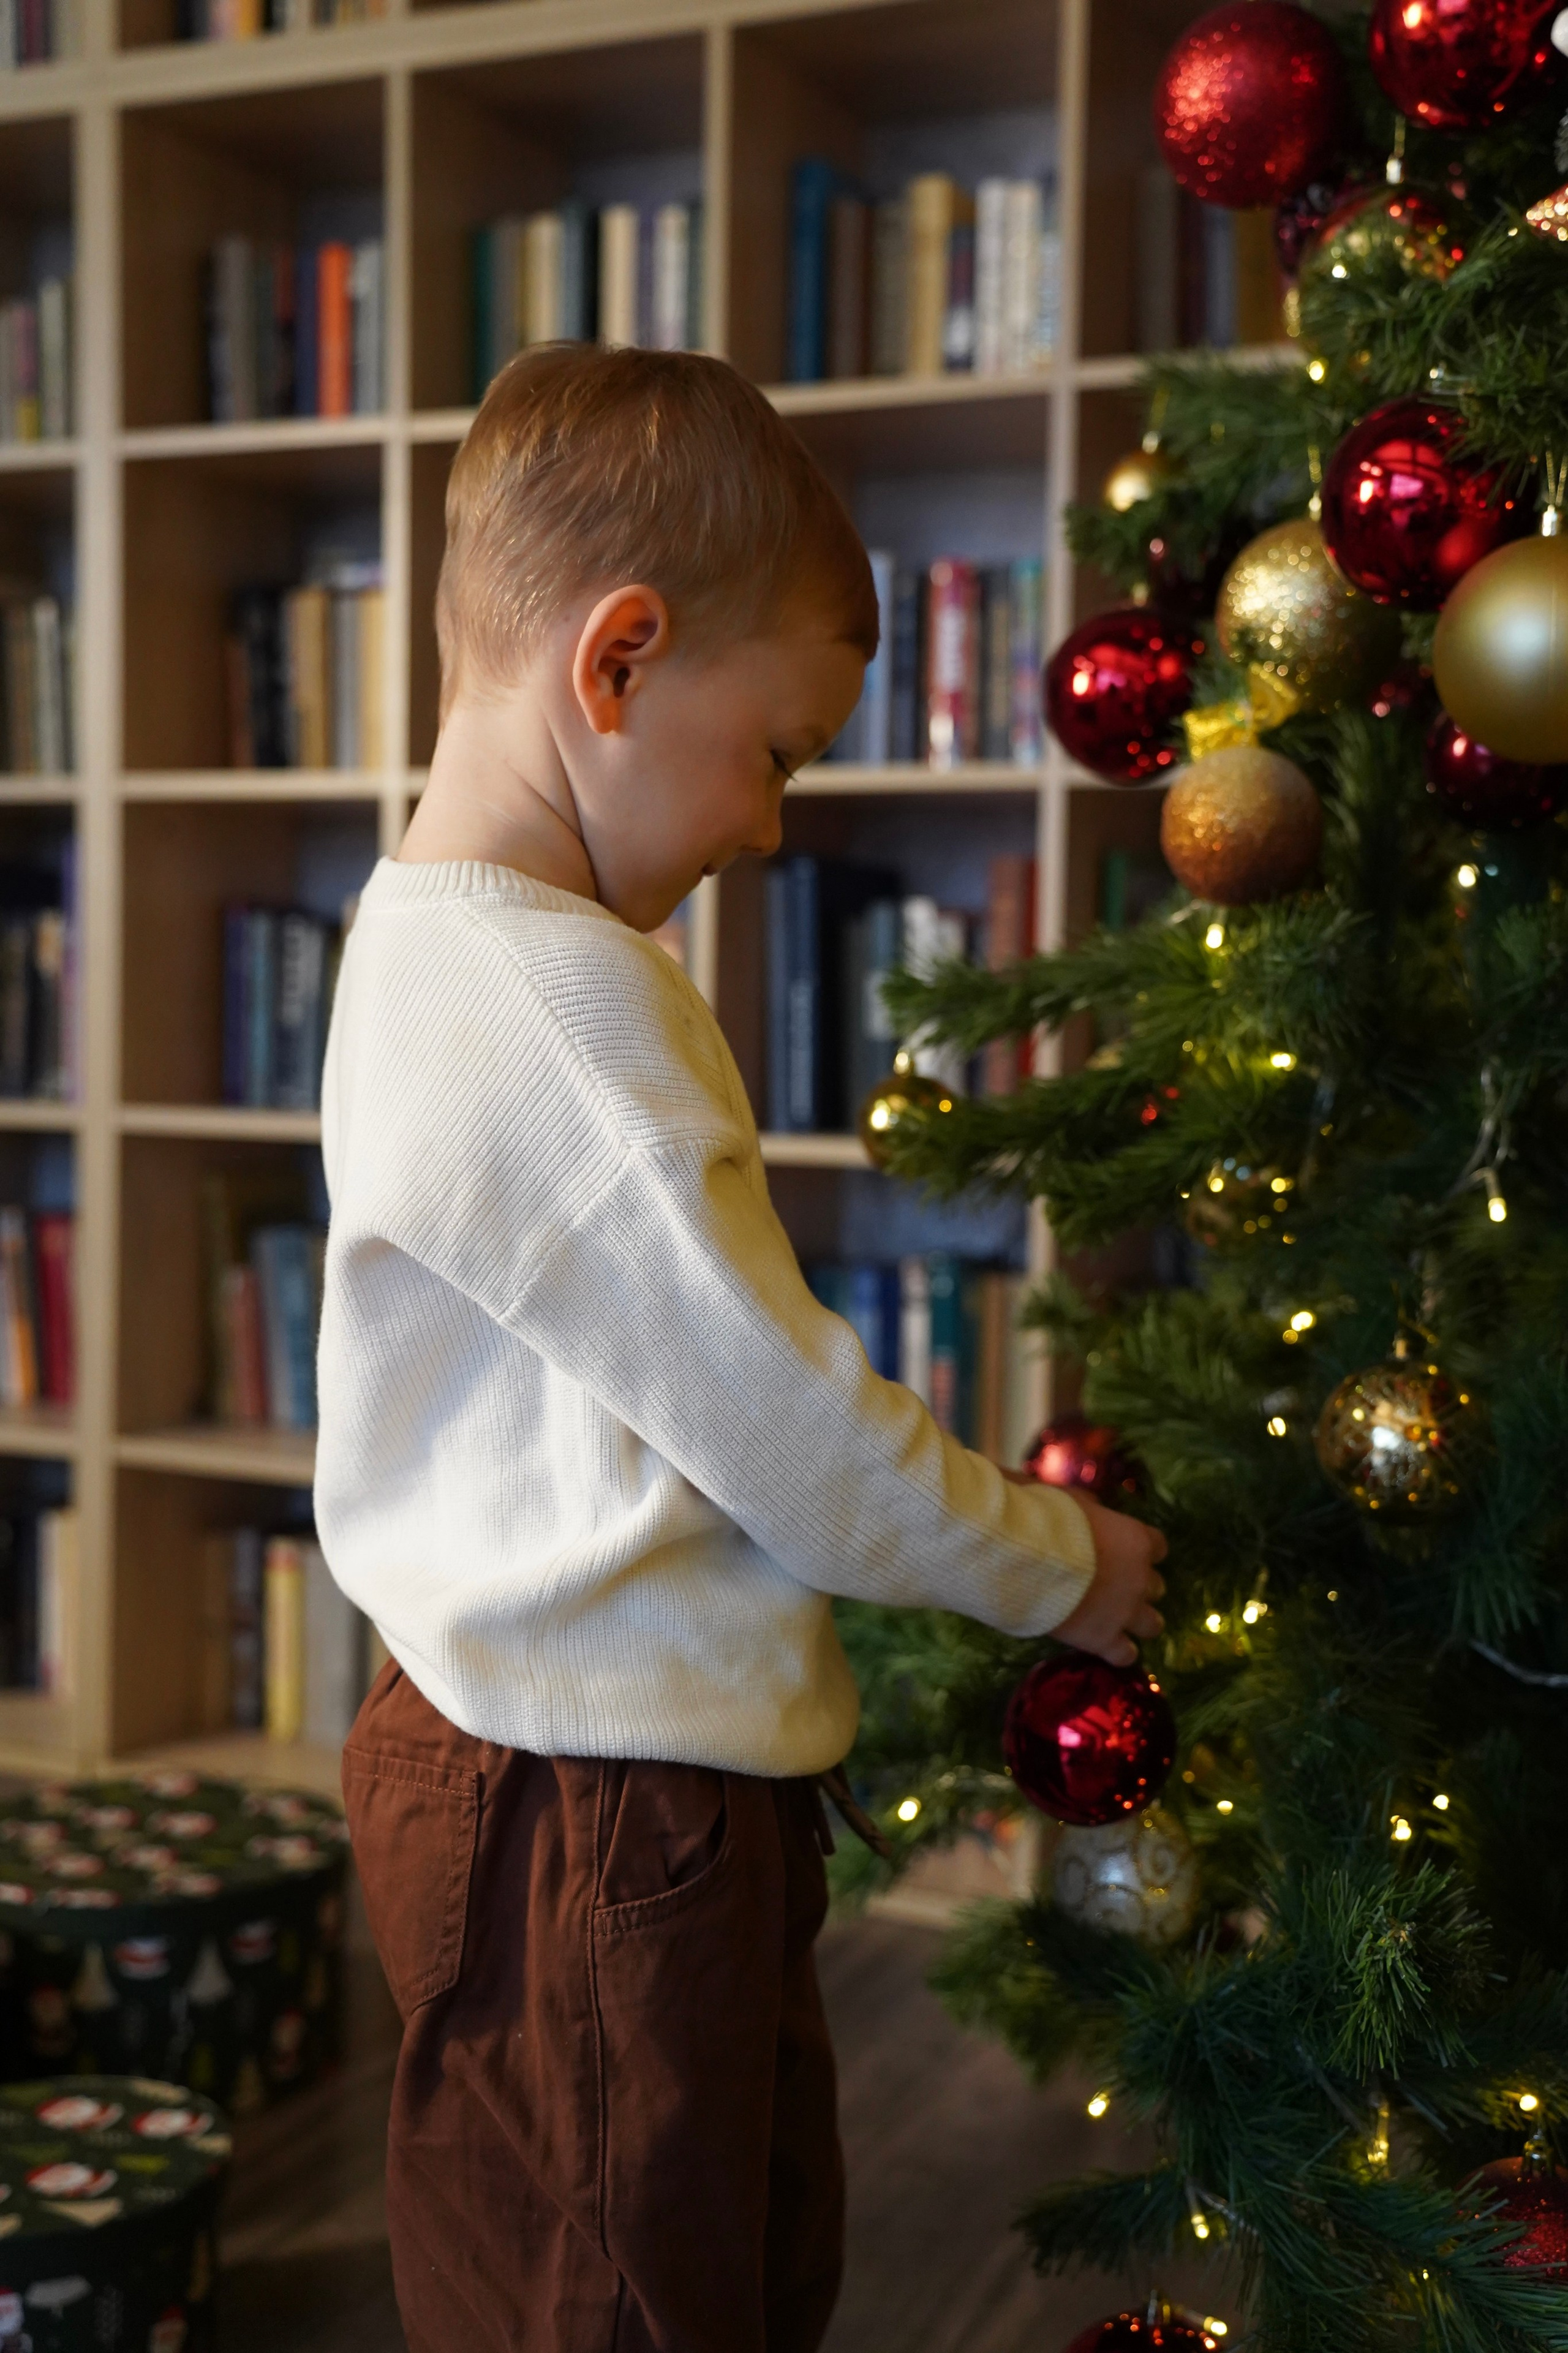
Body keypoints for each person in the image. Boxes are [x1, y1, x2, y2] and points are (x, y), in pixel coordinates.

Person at [316, 342, 1167, 2353]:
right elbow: (788, 1430)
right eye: (774, 753)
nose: (776, 828)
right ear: (613, 666)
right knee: (635, 2299)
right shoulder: (555, 1013)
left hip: (544, 1769)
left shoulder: (440, 941)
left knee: (673, 2263)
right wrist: (1064, 1567)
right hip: (599, 1815)